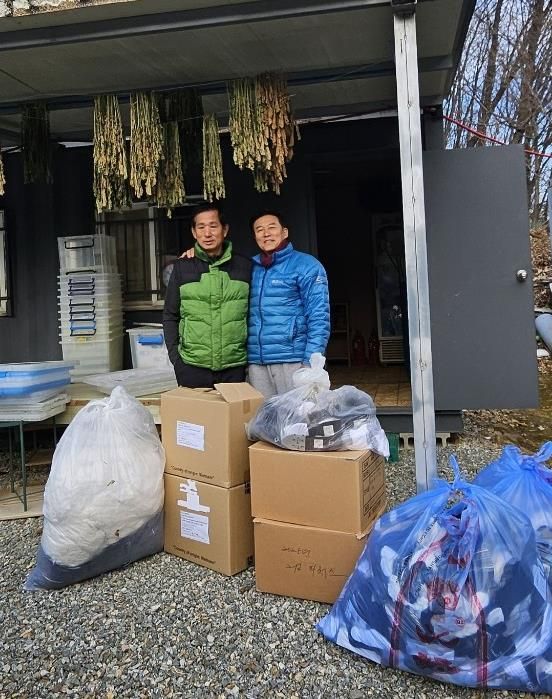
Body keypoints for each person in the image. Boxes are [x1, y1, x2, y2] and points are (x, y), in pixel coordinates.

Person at [163, 203, 251, 388]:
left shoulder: (245, 266)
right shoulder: (182, 267)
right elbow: (170, 315)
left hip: (235, 367)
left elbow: (253, 314)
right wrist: (176, 359)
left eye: (213, 226)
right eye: (201, 227)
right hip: (192, 367)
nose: (207, 233)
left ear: (224, 230)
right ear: (194, 232)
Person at [247, 211, 330, 397]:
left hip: (293, 360)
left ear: (284, 232)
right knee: (263, 415)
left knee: (297, 414)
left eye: (271, 227)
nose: (266, 233)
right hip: (257, 363)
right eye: (259, 230)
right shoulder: (250, 268)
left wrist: (311, 362)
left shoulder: (307, 265)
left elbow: (319, 317)